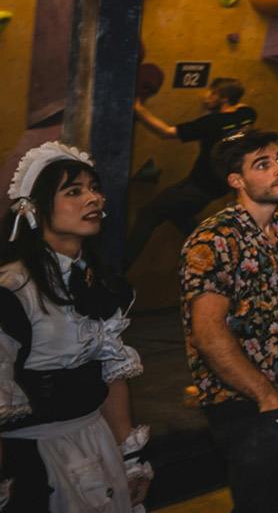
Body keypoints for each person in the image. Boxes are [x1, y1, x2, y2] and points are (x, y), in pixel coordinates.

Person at [0, 142, 150, 513]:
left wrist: (129, 459)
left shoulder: (99, 283)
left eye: (94, 188)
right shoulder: (14, 290)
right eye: (74, 191)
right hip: (35, 457)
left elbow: (112, 375)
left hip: (96, 444)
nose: (93, 199)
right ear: (32, 209)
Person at [181, 130, 278, 513]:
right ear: (236, 181)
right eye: (263, 164)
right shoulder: (213, 239)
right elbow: (208, 333)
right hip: (246, 406)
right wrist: (266, 397)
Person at [124, 77, 256, 267]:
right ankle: (214, 257)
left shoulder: (211, 123)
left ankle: (120, 267)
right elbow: (238, 107)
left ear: (224, 99)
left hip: (197, 187)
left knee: (148, 213)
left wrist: (138, 109)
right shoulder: (247, 114)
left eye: (213, 94)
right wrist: (220, 103)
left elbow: (166, 132)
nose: (206, 97)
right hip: (215, 188)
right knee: (178, 213)